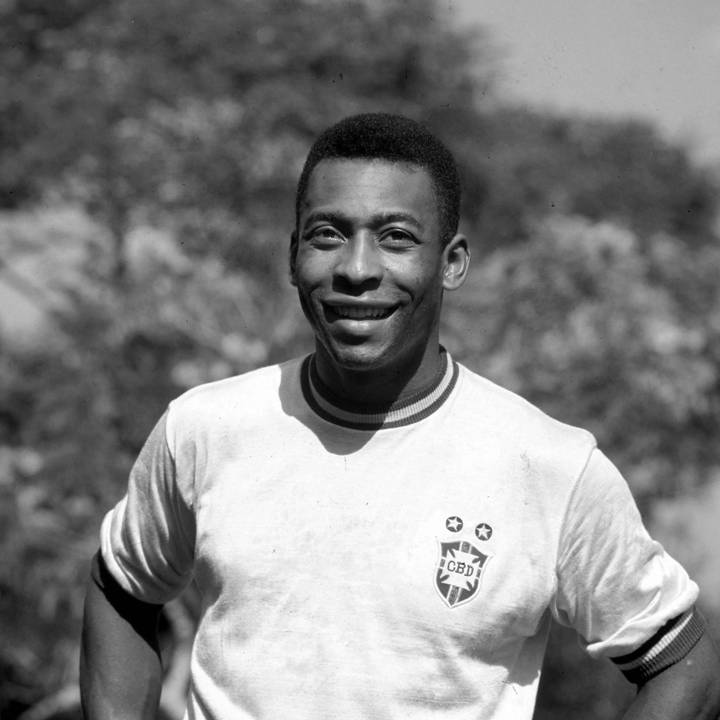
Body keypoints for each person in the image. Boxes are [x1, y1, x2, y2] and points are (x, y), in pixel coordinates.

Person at [80, 113, 720, 719]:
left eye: (396, 238)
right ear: (293, 255)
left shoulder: (550, 467)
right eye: (328, 234)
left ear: (452, 263)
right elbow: (122, 587)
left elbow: (683, 665)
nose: (357, 269)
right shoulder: (205, 428)